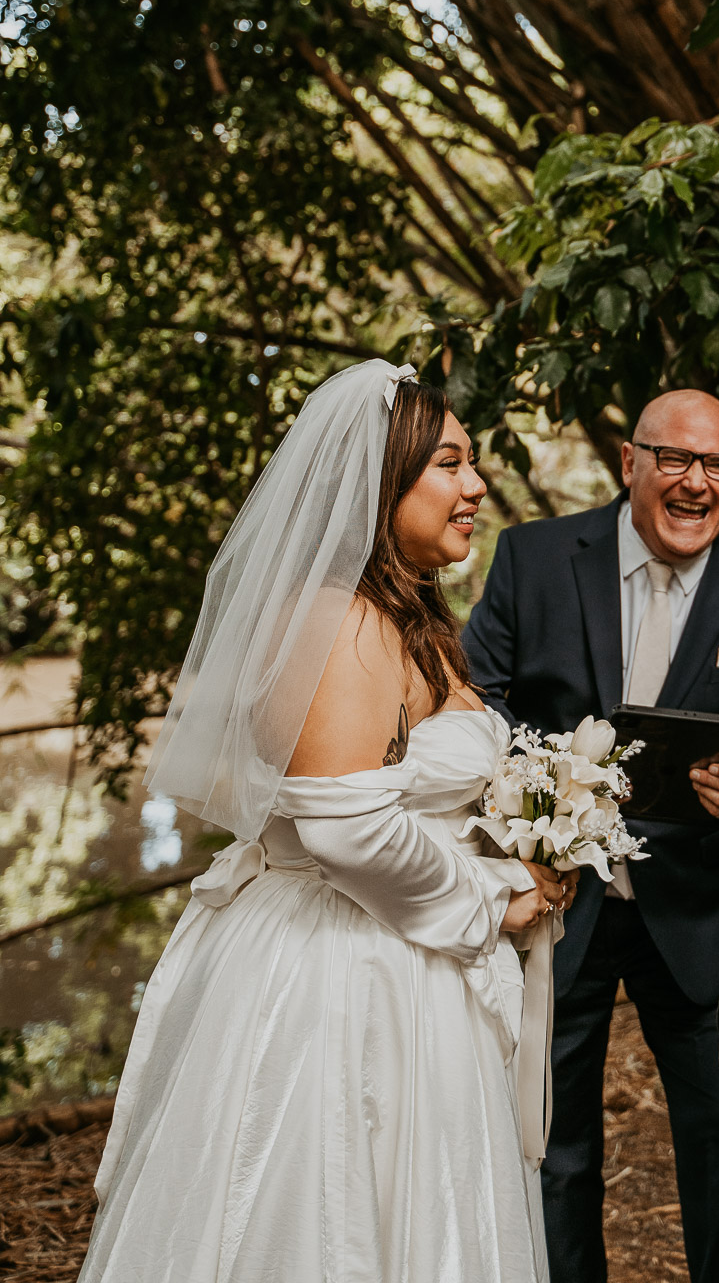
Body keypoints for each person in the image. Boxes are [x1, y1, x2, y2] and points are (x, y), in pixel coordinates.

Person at [79, 360, 578, 1283]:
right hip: (342, 974)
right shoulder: (337, 621)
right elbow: (345, 829)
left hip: (401, 957)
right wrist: (493, 895)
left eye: (471, 465)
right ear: (377, 485)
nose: (474, 486)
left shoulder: (399, 614)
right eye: (448, 465)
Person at [464, 389, 719, 1283]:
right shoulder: (532, 557)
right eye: (675, 461)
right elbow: (476, 701)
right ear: (630, 462)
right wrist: (528, 803)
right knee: (551, 1144)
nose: (697, 484)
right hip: (555, 902)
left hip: (698, 911)